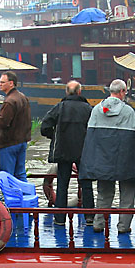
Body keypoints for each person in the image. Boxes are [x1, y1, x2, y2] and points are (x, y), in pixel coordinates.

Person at [80, 79, 135, 234]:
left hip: (103, 162)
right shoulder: (128, 112)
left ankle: (99, 223)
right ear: (122, 92)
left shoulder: (96, 110)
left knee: (104, 193)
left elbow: (90, 141)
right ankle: (123, 227)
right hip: (125, 162)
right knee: (127, 194)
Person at [40, 80, 95, 226]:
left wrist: (55, 136)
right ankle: (89, 217)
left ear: (66, 92)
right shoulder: (88, 109)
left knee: (62, 184)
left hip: (63, 151)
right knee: (86, 183)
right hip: (84, 151)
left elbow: (44, 127)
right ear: (79, 92)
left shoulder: (60, 107)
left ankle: (60, 218)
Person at [0, 71, 31, 181]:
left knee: (8, 175)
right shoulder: (23, 97)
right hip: (22, 141)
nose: (0, 84)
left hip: (9, 143)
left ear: (11, 83)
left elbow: (3, 123)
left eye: (3, 82)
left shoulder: (9, 101)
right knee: (21, 173)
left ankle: (10, 197)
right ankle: (26, 195)